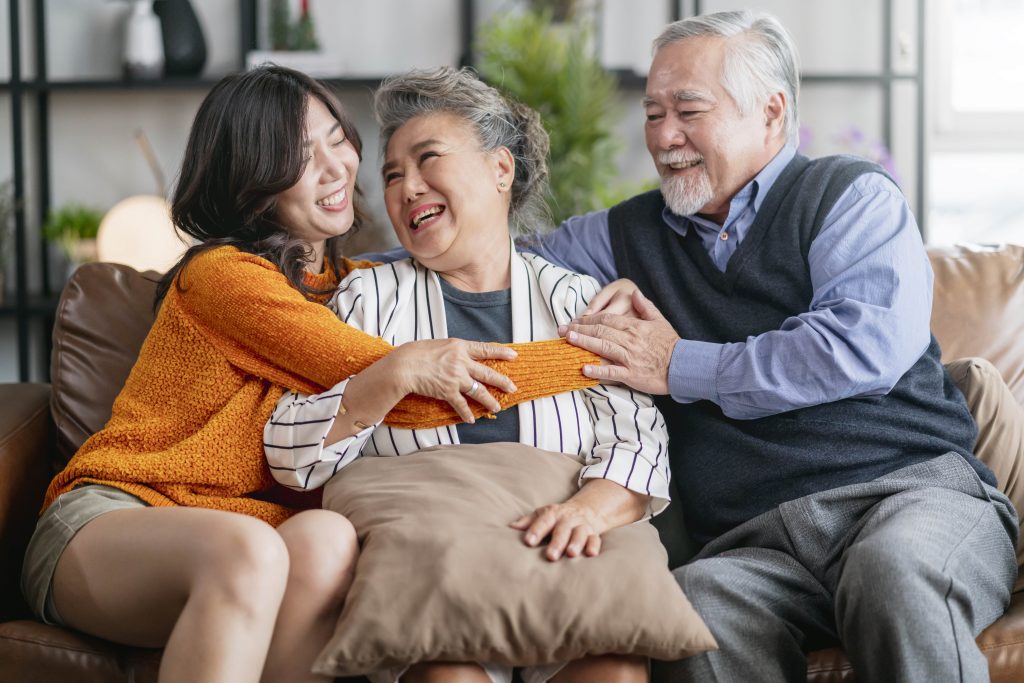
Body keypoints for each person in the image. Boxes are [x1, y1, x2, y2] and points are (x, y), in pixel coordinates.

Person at [21, 65, 603, 683]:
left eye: (337, 138)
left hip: (255, 541)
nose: (335, 168)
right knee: (248, 552)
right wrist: (599, 356)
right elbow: (410, 395)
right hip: (116, 521)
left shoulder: (354, 286)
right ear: (254, 179)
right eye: (299, 158)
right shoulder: (227, 276)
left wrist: (603, 301)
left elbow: (490, 250)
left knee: (328, 535)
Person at [529, 10, 1019, 682]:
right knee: (692, 616)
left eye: (688, 110)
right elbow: (491, 266)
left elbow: (856, 345)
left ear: (771, 112)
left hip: (909, 499)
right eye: (652, 113)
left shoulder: (848, 198)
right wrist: (340, 274)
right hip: (756, 546)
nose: (664, 136)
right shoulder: (626, 235)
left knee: (892, 574)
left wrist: (678, 364)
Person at [264, 66, 670, 683]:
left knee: (614, 667)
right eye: (393, 175)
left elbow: (639, 440)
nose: (407, 187)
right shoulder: (366, 301)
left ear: (500, 170)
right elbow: (289, 452)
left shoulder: (577, 302)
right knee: (445, 674)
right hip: (434, 585)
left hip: (564, 566)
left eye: (429, 159)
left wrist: (589, 511)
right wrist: (393, 375)